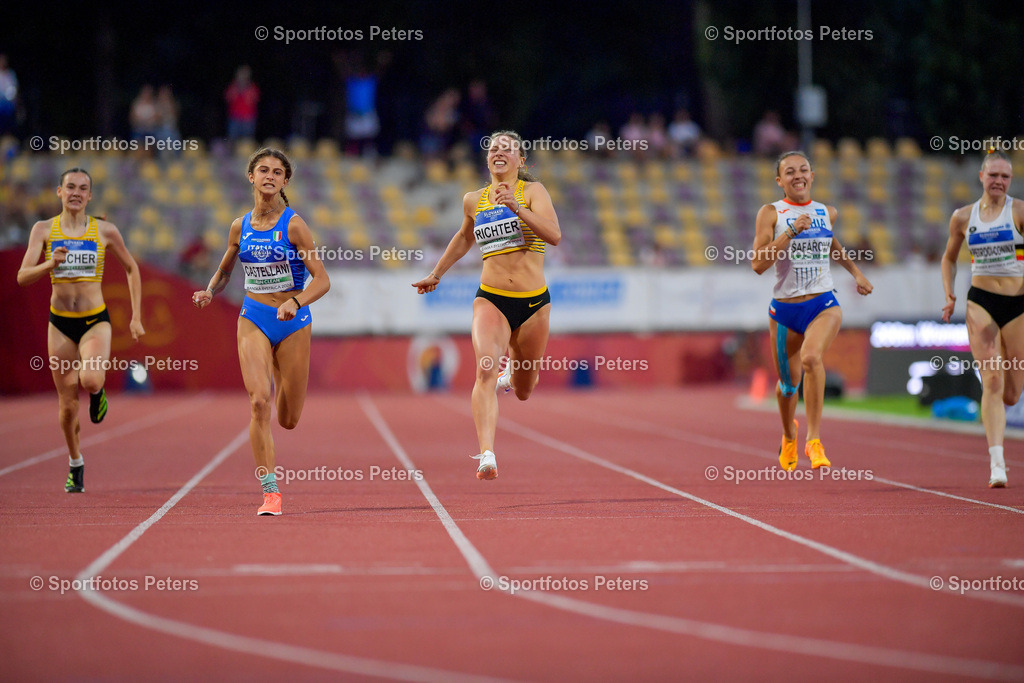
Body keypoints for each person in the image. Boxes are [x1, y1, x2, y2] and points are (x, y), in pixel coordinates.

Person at [412, 131, 561, 480]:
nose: (499, 152)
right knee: (485, 369)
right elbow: (464, 237)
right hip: (491, 299)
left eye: (507, 149)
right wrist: (436, 273)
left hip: (534, 304)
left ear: (520, 161)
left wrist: (516, 207)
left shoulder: (533, 192)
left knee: (524, 390)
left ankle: (515, 376)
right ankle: (487, 454)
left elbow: (554, 235)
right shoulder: (473, 200)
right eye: (494, 148)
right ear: (487, 158)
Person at [192, 148, 330, 515]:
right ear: (251, 177)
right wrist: (209, 290)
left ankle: (282, 372)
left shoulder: (294, 225)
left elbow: (323, 280)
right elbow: (224, 271)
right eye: (263, 170)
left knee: (288, 419)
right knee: (258, 403)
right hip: (252, 317)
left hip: (293, 324)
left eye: (278, 172)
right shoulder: (240, 226)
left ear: (285, 182)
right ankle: (270, 491)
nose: (270, 175)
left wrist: (296, 302)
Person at [17, 168, 145, 492]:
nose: (76, 192)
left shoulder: (104, 231)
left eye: (82, 188)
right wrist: (50, 264)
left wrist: (136, 317)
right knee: (67, 405)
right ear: (59, 192)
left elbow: (131, 268)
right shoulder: (44, 229)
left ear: (90, 196)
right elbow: (22, 276)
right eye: (70, 187)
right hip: (59, 324)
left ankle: (98, 392)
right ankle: (76, 463)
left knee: (89, 379)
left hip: (94, 321)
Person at [752, 151, 873, 471]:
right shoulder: (770, 213)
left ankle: (814, 440)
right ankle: (789, 435)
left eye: (803, 169)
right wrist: (789, 232)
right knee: (788, 385)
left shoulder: (826, 212)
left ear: (812, 175)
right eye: (789, 172)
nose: (798, 175)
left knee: (811, 358)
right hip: (784, 311)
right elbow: (758, 264)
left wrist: (855, 272)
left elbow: (831, 243)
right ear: (780, 181)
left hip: (823, 303)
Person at [941, 150, 1024, 488]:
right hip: (981, 301)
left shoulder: (1018, 212)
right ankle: (997, 463)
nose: (999, 182)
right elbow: (949, 259)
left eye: (1005, 177)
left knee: (1012, 393)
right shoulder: (963, 217)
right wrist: (949, 293)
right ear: (981, 177)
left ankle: (1003, 405)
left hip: (1017, 304)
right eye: (993, 176)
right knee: (992, 381)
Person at [225, 66, 260, 141]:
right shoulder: (233, 86)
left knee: (247, 140)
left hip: (248, 118)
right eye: (241, 74)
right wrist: (237, 89)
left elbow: (254, 100)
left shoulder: (252, 87)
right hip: (235, 117)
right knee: (232, 139)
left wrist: (245, 90)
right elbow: (228, 98)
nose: (242, 77)